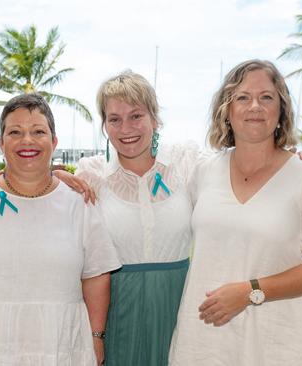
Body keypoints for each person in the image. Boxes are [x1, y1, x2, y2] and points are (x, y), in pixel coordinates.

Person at [168, 59, 302, 365]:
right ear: (227, 111)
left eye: (266, 97)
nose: (255, 106)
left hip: (279, 343)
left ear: (281, 111)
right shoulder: (202, 171)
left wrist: (250, 291)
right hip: (204, 342)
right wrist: (63, 179)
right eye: (242, 97)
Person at [0, 93, 121, 366]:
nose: (27, 140)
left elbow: (96, 274)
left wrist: (96, 337)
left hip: (62, 346)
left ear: (54, 141)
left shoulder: (80, 202)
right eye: (15, 132)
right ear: (1, 143)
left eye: (38, 131)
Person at [75, 70, 201, 365]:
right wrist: (55, 176)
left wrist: (293, 160)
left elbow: (239, 170)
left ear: (155, 119)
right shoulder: (91, 174)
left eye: (136, 116)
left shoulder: (186, 163)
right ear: (105, 125)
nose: (125, 127)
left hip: (179, 305)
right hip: (117, 308)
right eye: (114, 119)